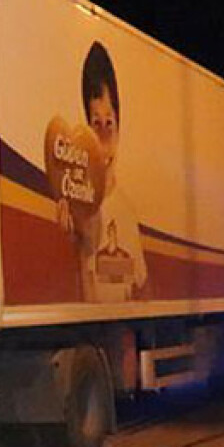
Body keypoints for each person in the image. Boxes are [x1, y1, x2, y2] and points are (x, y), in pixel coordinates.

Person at [78, 41, 148, 301]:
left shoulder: (127, 213)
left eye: (110, 123)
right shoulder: (77, 210)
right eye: (96, 124)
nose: (103, 139)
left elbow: (141, 289)